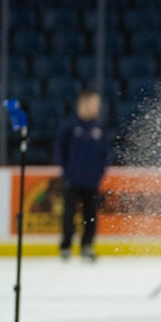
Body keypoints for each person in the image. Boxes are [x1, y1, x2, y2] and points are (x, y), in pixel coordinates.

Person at [55, 91, 111, 262]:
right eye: (93, 104)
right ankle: (66, 246)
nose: (96, 107)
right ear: (83, 104)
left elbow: (105, 154)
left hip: (92, 181)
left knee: (90, 215)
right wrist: (67, 172)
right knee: (69, 215)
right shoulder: (69, 126)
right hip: (72, 180)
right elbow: (59, 151)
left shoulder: (99, 128)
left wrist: (99, 173)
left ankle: (87, 245)